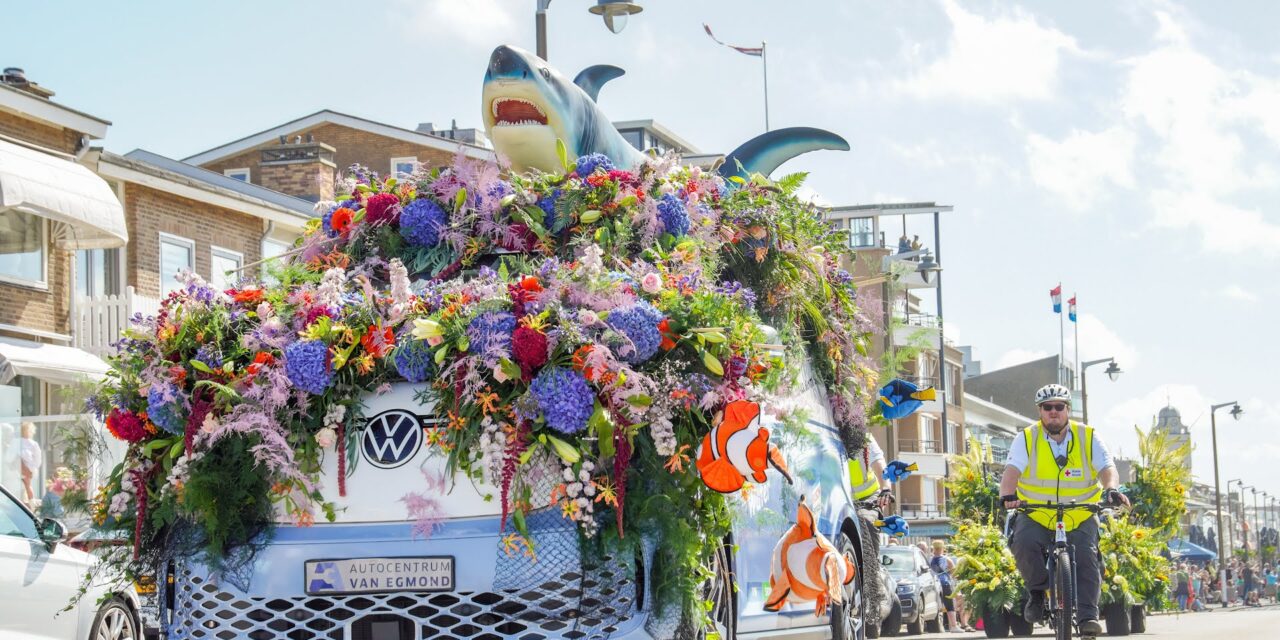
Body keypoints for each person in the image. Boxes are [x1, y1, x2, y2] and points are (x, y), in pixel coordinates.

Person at [1000, 384, 1129, 637]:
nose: (1053, 412)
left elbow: (1106, 467)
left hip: (1079, 513)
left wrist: (1111, 489)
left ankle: (1088, 617)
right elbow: (1011, 471)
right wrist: (1008, 495)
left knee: (1087, 558)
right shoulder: (1026, 437)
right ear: (1040, 411)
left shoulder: (1088, 435)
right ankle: (1037, 593)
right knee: (1023, 542)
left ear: (1068, 409)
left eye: (1059, 407)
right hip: (1037, 513)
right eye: (1048, 407)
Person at [848, 432, 896, 626]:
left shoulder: (863, 437)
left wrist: (886, 489)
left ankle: (873, 607)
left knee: (864, 522)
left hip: (866, 500)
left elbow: (879, 464)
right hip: (837, 502)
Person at [930, 540, 960, 632]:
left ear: (933, 548)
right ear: (943, 548)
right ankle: (953, 626)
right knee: (949, 604)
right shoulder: (947, 560)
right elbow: (954, 573)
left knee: (937, 605)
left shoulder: (929, 559)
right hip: (945, 584)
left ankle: (939, 626)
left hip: (934, 584)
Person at [19, 421, 42, 503]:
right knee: (24, 489)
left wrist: (29, 470)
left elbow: (37, 460)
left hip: (27, 472)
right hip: (17, 471)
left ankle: (30, 507)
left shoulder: (33, 444)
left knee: (27, 488)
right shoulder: (17, 442)